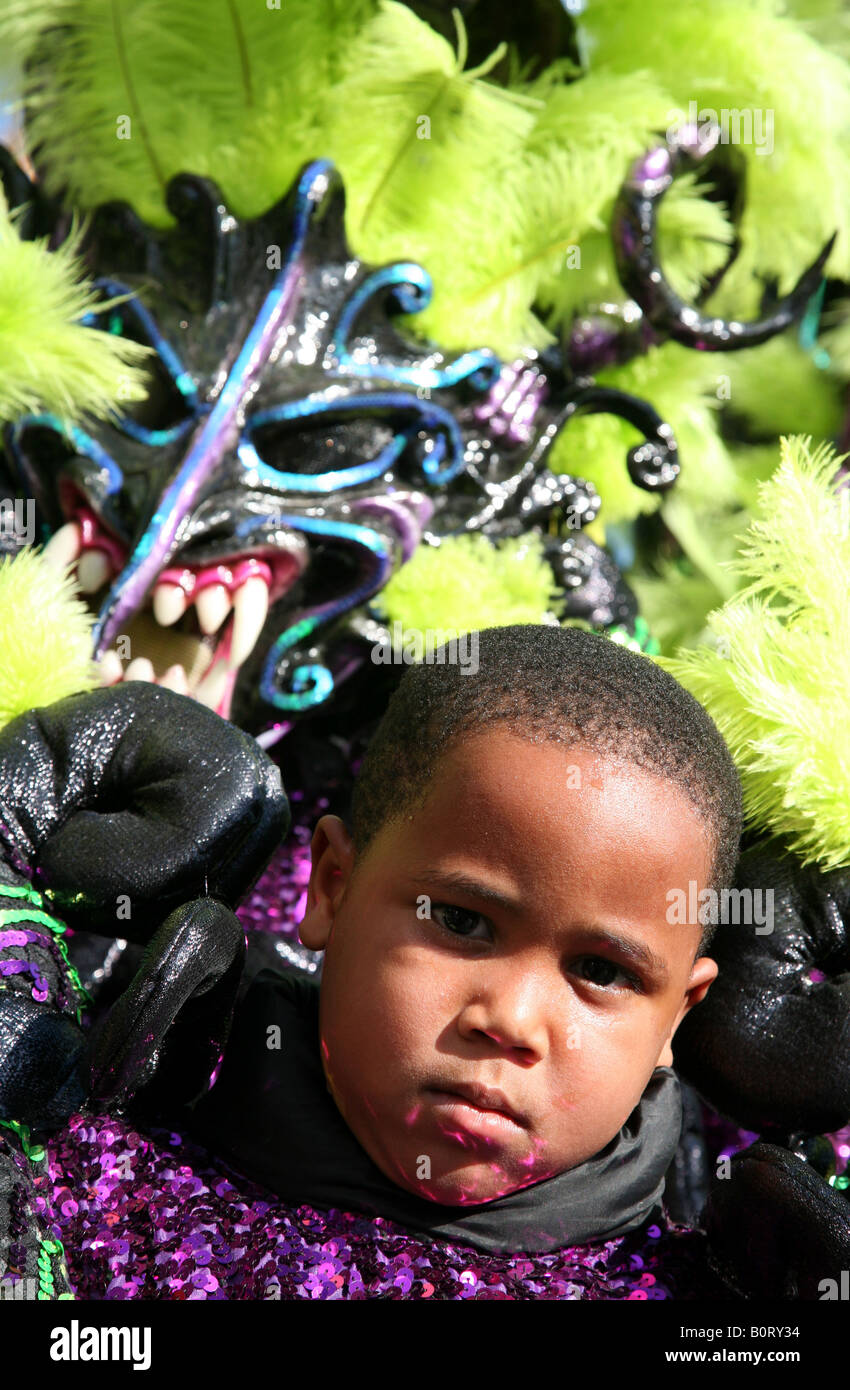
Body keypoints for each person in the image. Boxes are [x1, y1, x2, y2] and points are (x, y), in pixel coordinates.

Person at [185, 623, 743, 1254]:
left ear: (675, 1020)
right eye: (459, 921)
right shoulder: (88, 1182)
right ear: (333, 887)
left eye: (602, 971)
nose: (510, 1021)